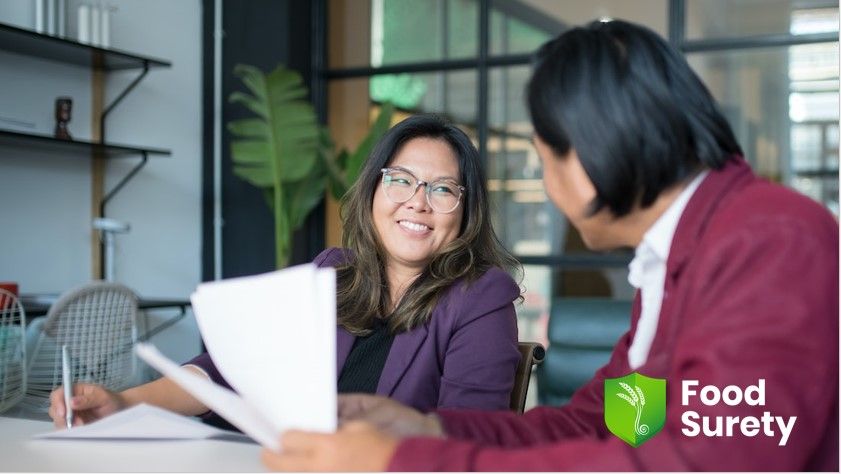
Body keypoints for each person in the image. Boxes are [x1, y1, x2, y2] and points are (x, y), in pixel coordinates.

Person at [261, 19, 839, 471]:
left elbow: (712, 463)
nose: (545, 182)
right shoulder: (676, 258)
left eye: (543, 157)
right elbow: (606, 423)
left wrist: (405, 462)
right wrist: (430, 431)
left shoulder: (771, 240)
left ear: (588, 154)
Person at [48, 114, 524, 428]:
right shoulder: (333, 273)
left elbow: (470, 433)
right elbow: (227, 372)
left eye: (442, 190)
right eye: (400, 180)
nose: (416, 202)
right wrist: (125, 405)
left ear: (465, 211)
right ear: (373, 191)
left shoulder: (481, 296)